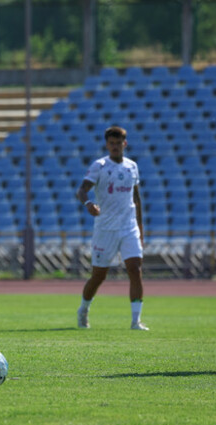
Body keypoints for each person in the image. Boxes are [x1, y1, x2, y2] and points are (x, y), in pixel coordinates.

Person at [76, 126, 148, 331]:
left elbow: (136, 198)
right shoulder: (99, 166)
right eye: (111, 143)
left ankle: (136, 321)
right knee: (99, 275)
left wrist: (140, 228)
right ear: (107, 144)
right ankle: (83, 309)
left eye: (118, 143)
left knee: (135, 269)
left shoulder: (132, 167)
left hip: (129, 227)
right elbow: (82, 189)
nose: (115, 147)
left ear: (124, 144)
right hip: (105, 229)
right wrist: (88, 204)